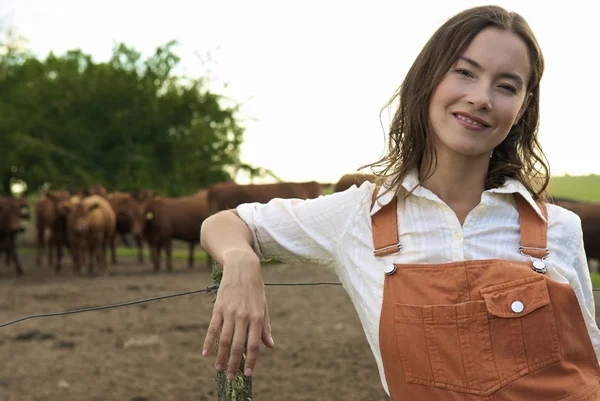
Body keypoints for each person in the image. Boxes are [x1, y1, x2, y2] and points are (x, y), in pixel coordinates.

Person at [200, 5, 600, 399]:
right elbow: (227, 223)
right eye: (464, 72)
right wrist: (239, 260)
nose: (481, 98)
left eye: (507, 86)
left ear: (522, 107)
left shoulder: (559, 228)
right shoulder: (358, 217)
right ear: (429, 77)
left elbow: (589, 360)